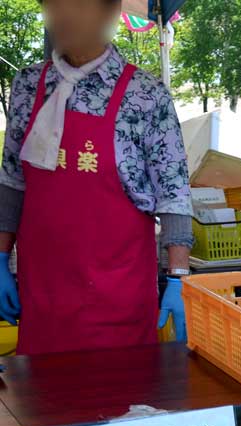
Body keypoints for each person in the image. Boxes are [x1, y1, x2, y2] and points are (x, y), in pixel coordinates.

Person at [0, 0, 192, 355]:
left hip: (117, 297)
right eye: (55, 6)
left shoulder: (145, 95)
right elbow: (12, 179)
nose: (65, 17)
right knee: (43, 402)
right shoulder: (28, 85)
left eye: (80, 7)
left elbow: (174, 192)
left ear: (110, 12)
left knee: (119, 403)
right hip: (43, 296)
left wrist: (179, 278)